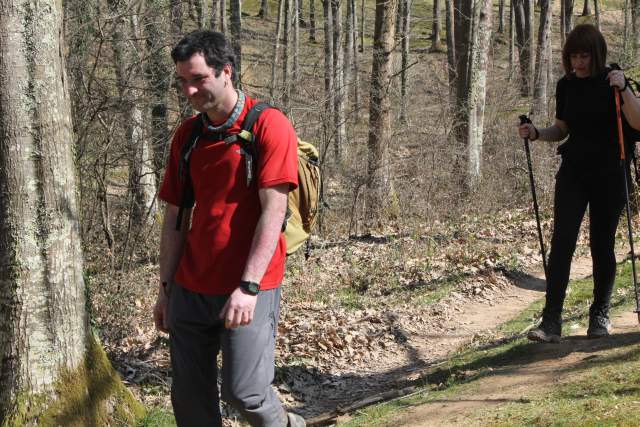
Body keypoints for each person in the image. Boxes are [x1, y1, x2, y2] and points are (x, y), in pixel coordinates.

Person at [153, 30, 305, 426]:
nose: (189, 91)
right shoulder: (188, 137)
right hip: (190, 286)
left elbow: (274, 212)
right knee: (190, 402)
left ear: (226, 71)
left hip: (249, 284)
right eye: (182, 81)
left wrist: (249, 287)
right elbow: (176, 217)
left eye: (198, 79)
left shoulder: (268, 126)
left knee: (246, 393)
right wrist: (166, 289)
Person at [518, 24, 640, 343]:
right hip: (574, 171)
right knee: (562, 243)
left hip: (611, 172)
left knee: (602, 244)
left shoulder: (614, 80)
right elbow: (562, 129)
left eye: (584, 56)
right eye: (573, 56)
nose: (578, 63)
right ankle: (551, 321)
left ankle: (599, 315)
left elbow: (638, 121)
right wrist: (537, 133)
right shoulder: (566, 85)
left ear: (596, 54)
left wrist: (625, 89)